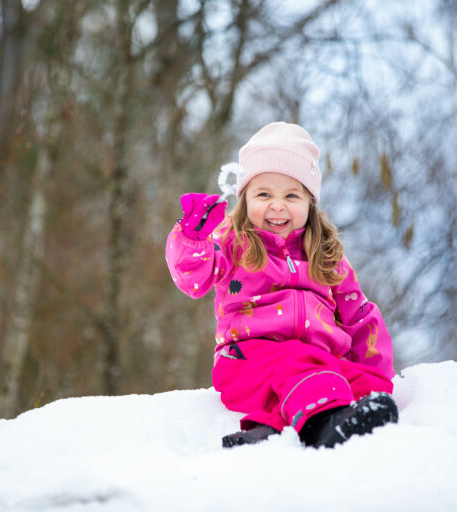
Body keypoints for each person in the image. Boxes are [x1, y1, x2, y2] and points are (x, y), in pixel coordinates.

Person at [165, 122, 398, 448]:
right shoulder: (233, 243)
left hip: (316, 364)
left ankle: (268, 430)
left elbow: (359, 315)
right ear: (245, 198)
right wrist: (192, 238)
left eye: (291, 195)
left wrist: (377, 375)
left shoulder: (327, 257)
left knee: (362, 383)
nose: (277, 205)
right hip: (247, 362)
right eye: (264, 194)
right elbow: (195, 277)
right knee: (301, 364)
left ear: (309, 202)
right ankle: (322, 425)